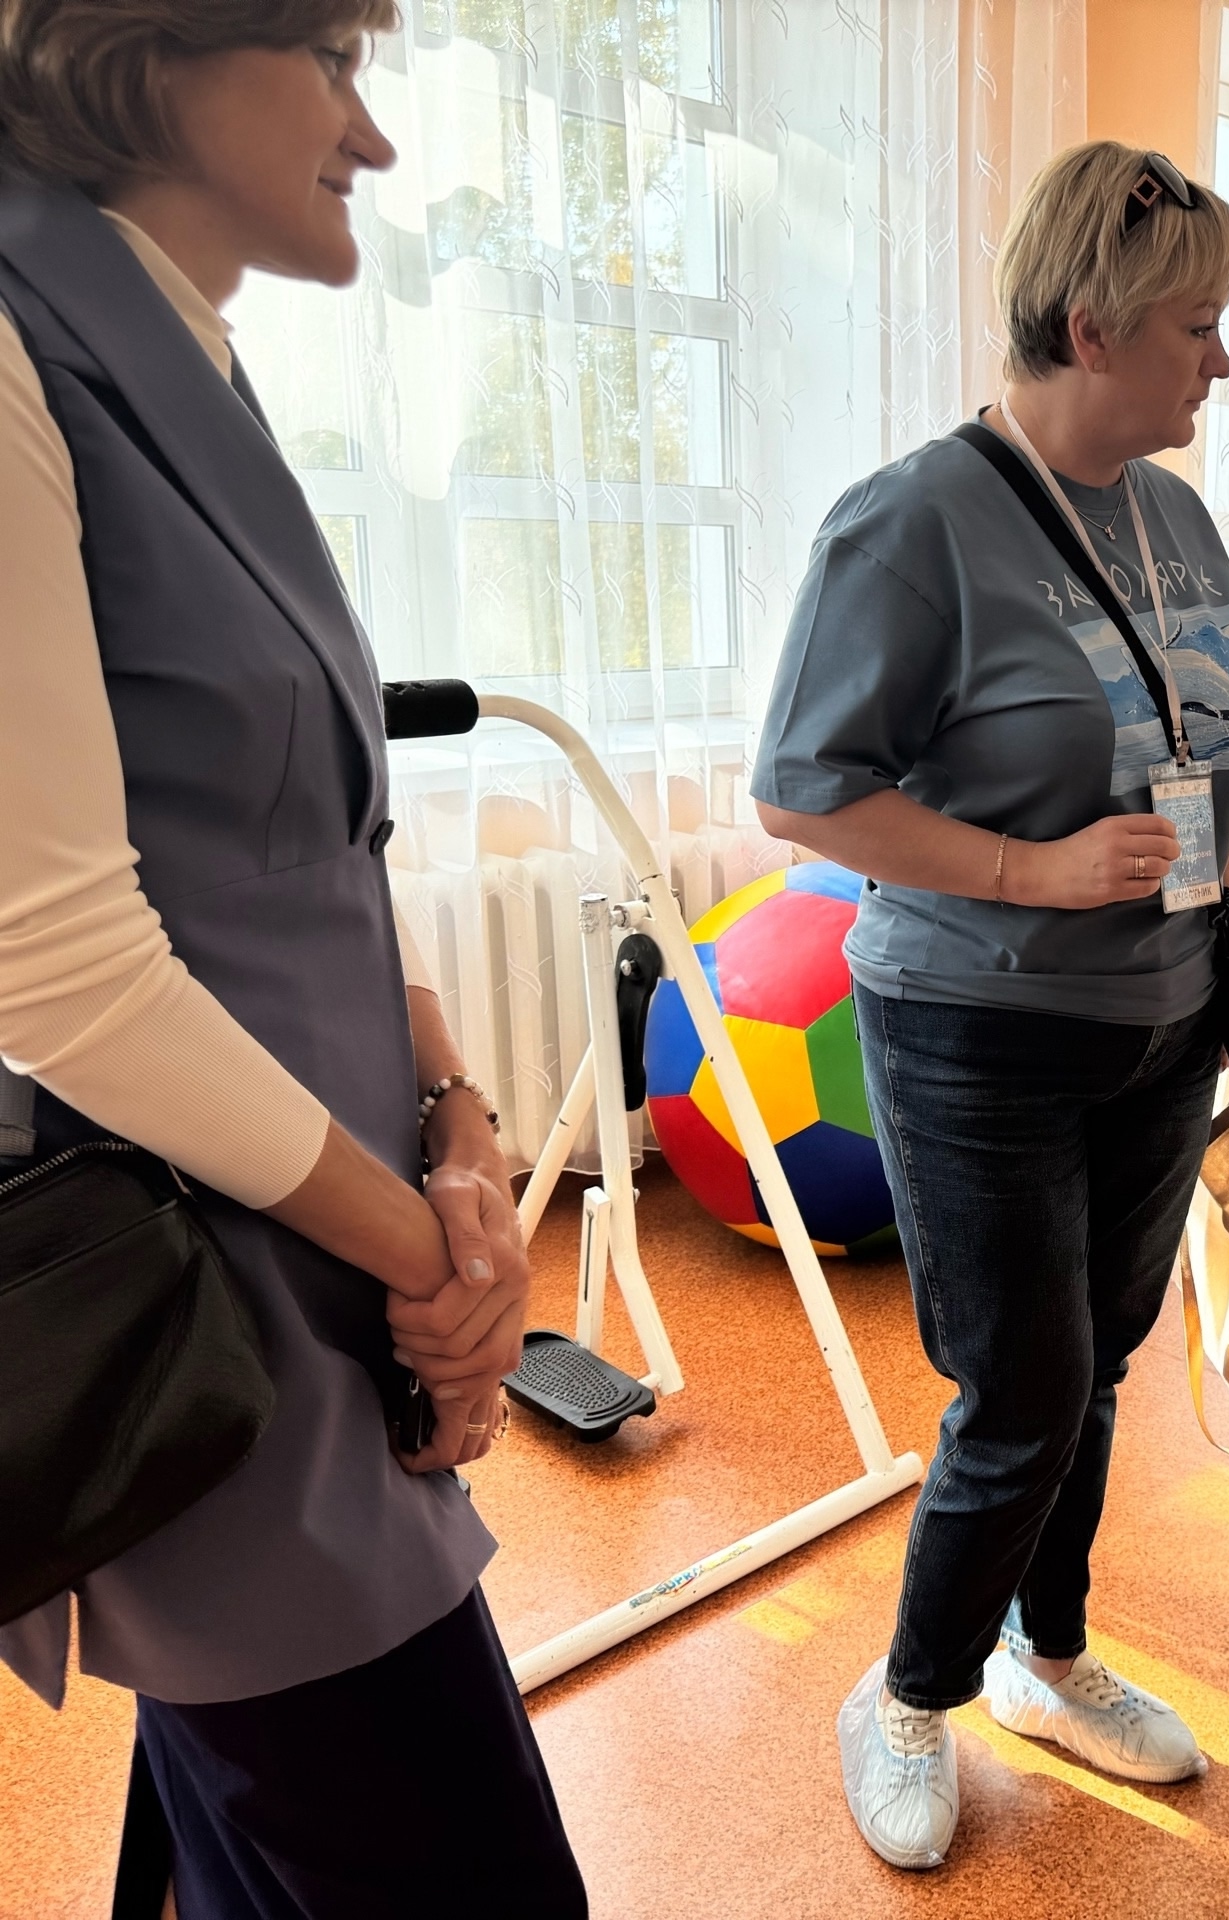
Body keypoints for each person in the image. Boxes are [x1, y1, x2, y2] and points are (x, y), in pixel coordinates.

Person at [0, 5, 585, 1912]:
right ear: (143, 43)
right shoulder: (21, 340)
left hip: (325, 1261)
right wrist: (432, 1255)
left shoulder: (179, 349)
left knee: (259, 1834)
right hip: (202, 1307)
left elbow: (323, 841)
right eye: (333, 56)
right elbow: (58, 970)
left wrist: (460, 1127)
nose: (375, 136)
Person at [753, 141, 1229, 1872]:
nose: (1220, 362)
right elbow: (803, 792)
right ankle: (908, 1695)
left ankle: (1049, 1657)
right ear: (1090, 326)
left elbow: (1209, 757)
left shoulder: (1177, 518)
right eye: (1196, 327)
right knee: (1026, 1388)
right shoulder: (909, 524)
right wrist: (1032, 873)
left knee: (1097, 1362)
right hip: (978, 1025)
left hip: (1162, 1016)